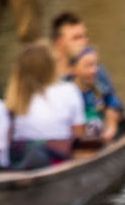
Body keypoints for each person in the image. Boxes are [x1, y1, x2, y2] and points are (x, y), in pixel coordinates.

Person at [5, 40, 84, 169]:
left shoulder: (14, 97)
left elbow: (6, 141)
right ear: (49, 66)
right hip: (56, 159)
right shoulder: (69, 90)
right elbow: (78, 135)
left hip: (22, 160)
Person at [51, 11, 124, 119]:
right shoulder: (45, 74)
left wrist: (111, 118)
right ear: (59, 43)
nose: (83, 42)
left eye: (85, 37)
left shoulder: (95, 70)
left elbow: (114, 102)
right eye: (76, 38)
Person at [70, 47, 118, 144]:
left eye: (95, 65)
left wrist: (111, 129)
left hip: (100, 139)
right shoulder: (67, 94)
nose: (94, 70)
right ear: (74, 69)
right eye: (88, 66)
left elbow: (112, 103)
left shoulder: (100, 87)